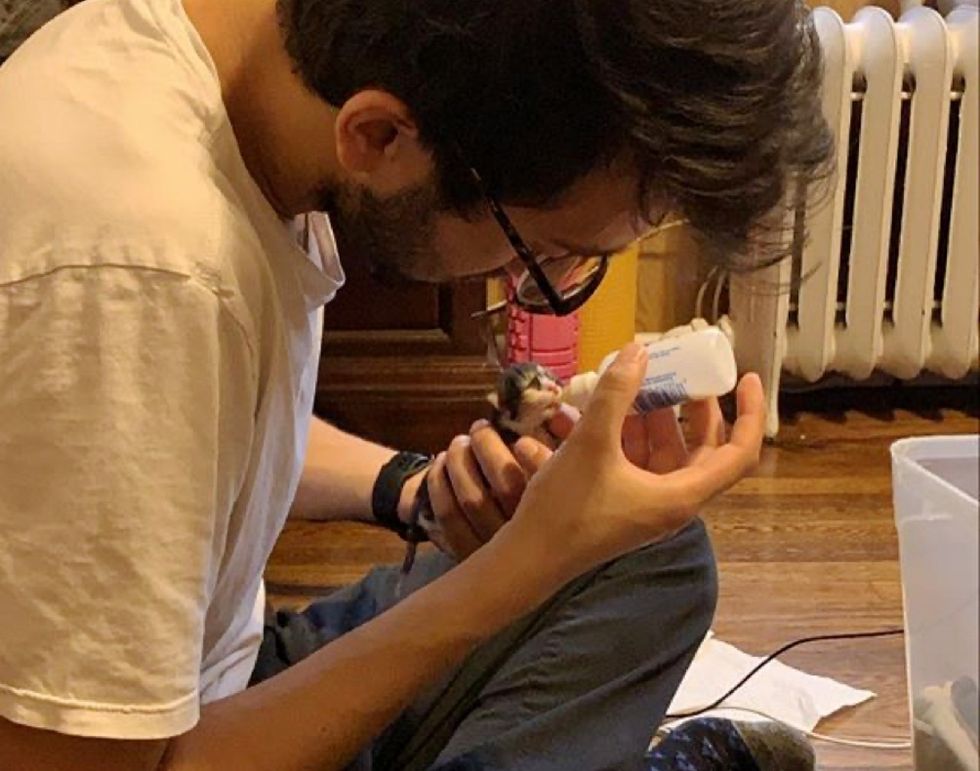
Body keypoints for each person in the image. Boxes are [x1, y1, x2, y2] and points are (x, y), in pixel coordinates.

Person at [0, 0, 832, 769]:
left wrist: (412, 488)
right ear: (380, 135)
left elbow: (185, 427)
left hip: (216, 662)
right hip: (162, 736)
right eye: (538, 249)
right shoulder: (141, 270)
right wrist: (519, 569)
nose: (534, 283)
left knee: (651, 551)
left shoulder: (243, 75)